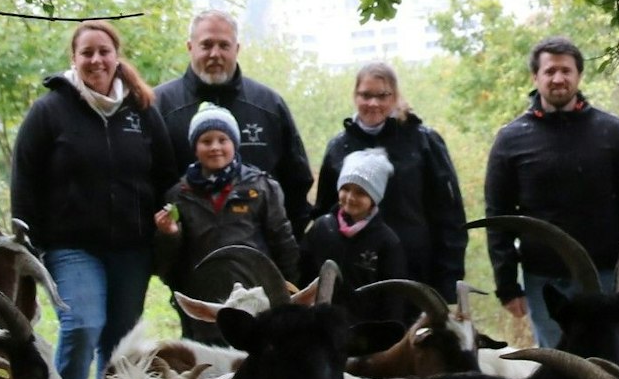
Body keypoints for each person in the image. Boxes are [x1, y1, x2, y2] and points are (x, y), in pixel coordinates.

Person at [11, 19, 177, 379]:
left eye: (104, 52)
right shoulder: (49, 111)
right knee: (82, 325)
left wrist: (169, 211)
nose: (96, 60)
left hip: (131, 249)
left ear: (117, 58)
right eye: (87, 52)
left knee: (119, 342)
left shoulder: (142, 111)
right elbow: (24, 180)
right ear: (74, 58)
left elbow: (167, 175)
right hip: (70, 246)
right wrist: (27, 246)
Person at [482, 36, 619, 348]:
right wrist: (507, 285)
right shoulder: (510, 139)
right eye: (549, 72)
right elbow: (498, 218)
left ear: (578, 75)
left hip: (605, 276)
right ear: (536, 77)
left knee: (607, 362)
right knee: (559, 367)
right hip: (544, 281)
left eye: (565, 70)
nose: (557, 78)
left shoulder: (612, 131)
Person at [313, 63, 468, 301]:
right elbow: (325, 215)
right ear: (355, 96)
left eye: (382, 95)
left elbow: (450, 216)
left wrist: (448, 282)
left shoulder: (423, 142)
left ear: (395, 97)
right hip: (354, 278)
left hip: (414, 273)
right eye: (366, 95)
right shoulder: (339, 148)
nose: (373, 103)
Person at [152, 104, 301, 344]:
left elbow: (283, 243)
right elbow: (165, 267)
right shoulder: (178, 196)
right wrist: (169, 235)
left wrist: (288, 293)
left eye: (223, 139)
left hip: (257, 300)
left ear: (234, 143)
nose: (215, 147)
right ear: (194, 147)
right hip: (206, 307)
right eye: (206, 141)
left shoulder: (262, 187)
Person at [154, 10, 315, 225]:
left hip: (259, 250)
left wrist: (287, 243)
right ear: (190, 47)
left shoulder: (268, 105)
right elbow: (147, 183)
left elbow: (297, 181)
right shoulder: (159, 105)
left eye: (224, 45)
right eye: (206, 45)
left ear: (237, 49)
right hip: (186, 249)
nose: (215, 54)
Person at [300, 149, 410, 327]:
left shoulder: (387, 242)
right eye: (345, 188)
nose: (350, 198)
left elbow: (393, 301)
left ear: (374, 198)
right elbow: (302, 274)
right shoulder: (321, 228)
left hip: (361, 334)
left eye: (360, 192)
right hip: (317, 330)